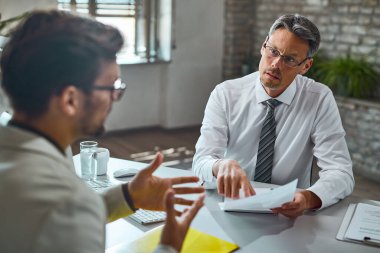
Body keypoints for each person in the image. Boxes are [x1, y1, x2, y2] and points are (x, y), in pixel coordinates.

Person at [0, 10, 205, 253]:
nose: (115, 98)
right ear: (70, 99)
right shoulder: (65, 201)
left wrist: (127, 197)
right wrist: (168, 246)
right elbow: (63, 214)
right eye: (111, 86)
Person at [192, 14, 354, 218]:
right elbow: (201, 161)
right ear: (263, 46)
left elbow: (340, 172)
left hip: (288, 214)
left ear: (305, 66)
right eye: (273, 51)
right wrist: (219, 165)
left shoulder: (319, 99)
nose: (276, 64)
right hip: (229, 207)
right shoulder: (225, 94)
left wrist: (309, 197)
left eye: (289, 59)